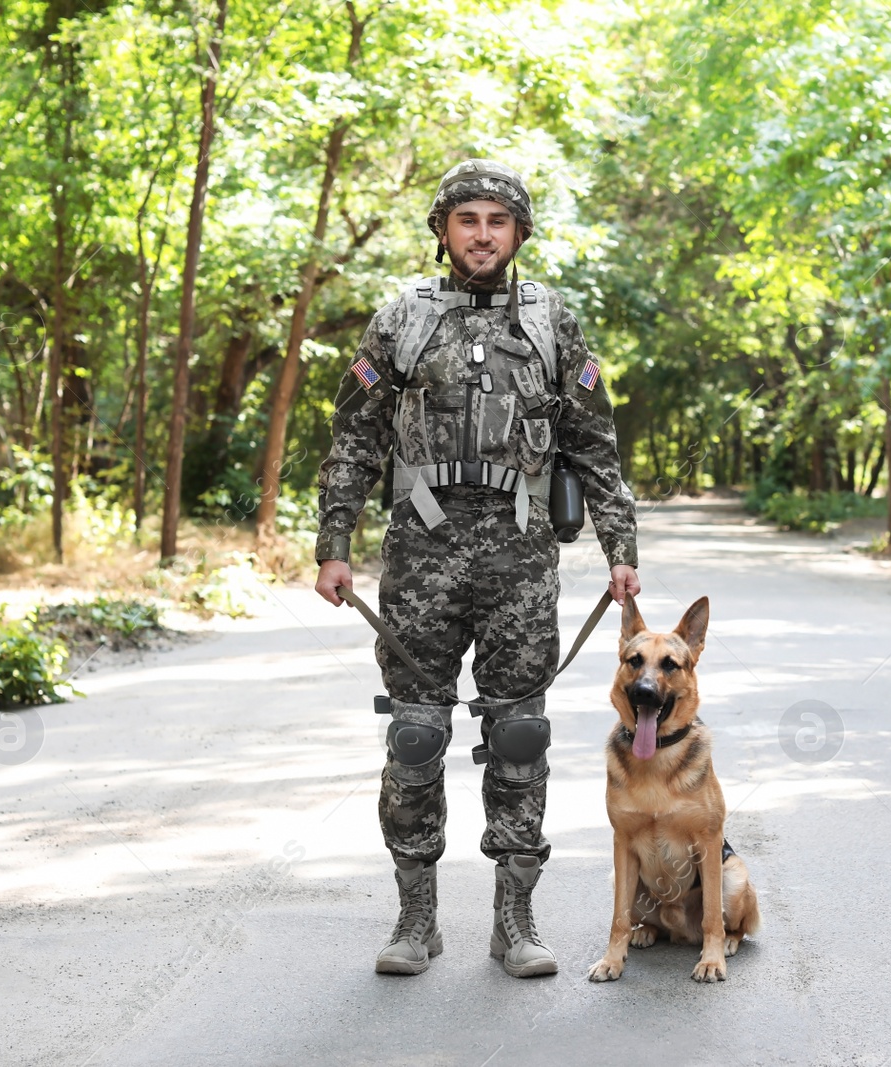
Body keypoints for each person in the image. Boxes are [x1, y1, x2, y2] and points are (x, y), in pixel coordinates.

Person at [312, 159, 640, 977]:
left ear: (518, 232)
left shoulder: (552, 320)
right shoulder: (402, 319)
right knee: (417, 735)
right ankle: (415, 919)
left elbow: (594, 446)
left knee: (520, 732)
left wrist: (620, 550)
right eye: (468, 220)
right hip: (421, 551)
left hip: (520, 553)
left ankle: (515, 919)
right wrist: (334, 543)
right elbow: (353, 438)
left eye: (498, 220)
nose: (483, 234)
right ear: (443, 231)